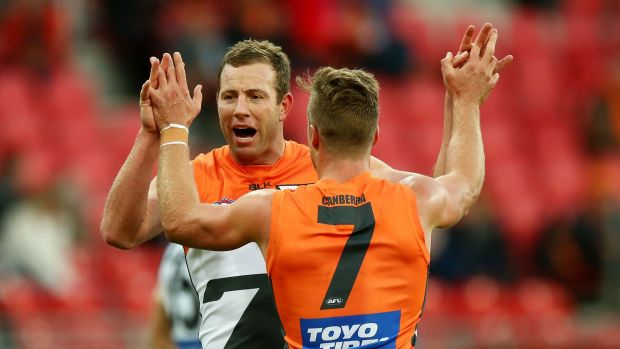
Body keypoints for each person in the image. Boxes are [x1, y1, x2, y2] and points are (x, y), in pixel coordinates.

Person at [101, 24, 510, 348]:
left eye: (255, 96)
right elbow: (119, 231)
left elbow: (432, 196)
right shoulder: (192, 177)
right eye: (229, 96)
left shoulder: (331, 167)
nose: (239, 108)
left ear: (284, 107)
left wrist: (175, 130)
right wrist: (151, 134)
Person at [149, 243, 201, 349]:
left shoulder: (171, 251)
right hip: (216, 340)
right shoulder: (214, 243)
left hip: (182, 342)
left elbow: (160, 306)